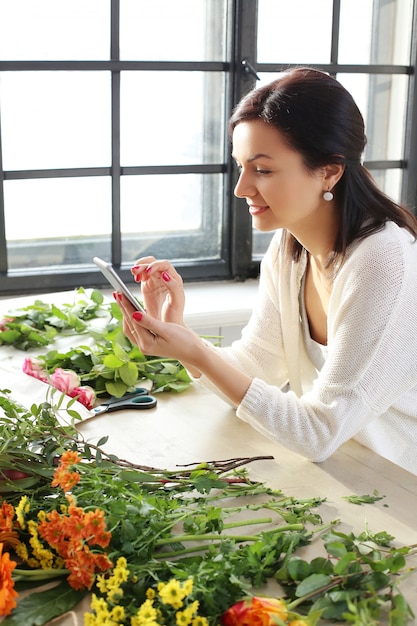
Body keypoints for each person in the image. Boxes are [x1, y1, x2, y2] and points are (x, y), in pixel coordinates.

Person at [116, 67, 417, 476]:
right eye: (242, 166)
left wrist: (196, 351)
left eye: (263, 170)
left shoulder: (384, 262)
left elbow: (319, 432)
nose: (242, 188)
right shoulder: (290, 247)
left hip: (399, 486)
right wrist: (182, 335)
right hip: (344, 470)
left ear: (330, 170)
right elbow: (258, 366)